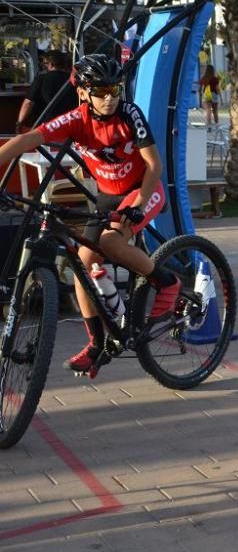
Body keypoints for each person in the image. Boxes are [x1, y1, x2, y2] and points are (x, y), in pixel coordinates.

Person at [0, 54, 180, 376]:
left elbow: (155, 166)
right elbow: (27, 139)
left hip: (143, 189)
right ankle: (97, 345)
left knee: (110, 243)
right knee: (82, 263)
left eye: (114, 89)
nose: (110, 97)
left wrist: (138, 205)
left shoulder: (130, 114)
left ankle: (166, 282)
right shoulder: (76, 119)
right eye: (100, 90)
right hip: (108, 197)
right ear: (83, 92)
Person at [16, 50, 77, 133]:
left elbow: (28, 103)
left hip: (46, 127)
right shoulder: (73, 80)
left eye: (45, 63)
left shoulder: (41, 79)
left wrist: (19, 123)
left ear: (51, 64)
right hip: (69, 125)